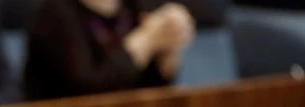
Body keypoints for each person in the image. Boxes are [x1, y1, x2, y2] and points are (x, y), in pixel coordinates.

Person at [24, 0, 195, 100]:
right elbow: (88, 94)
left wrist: (166, 54)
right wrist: (144, 41)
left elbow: (147, 92)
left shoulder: (132, 7)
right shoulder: (54, 14)